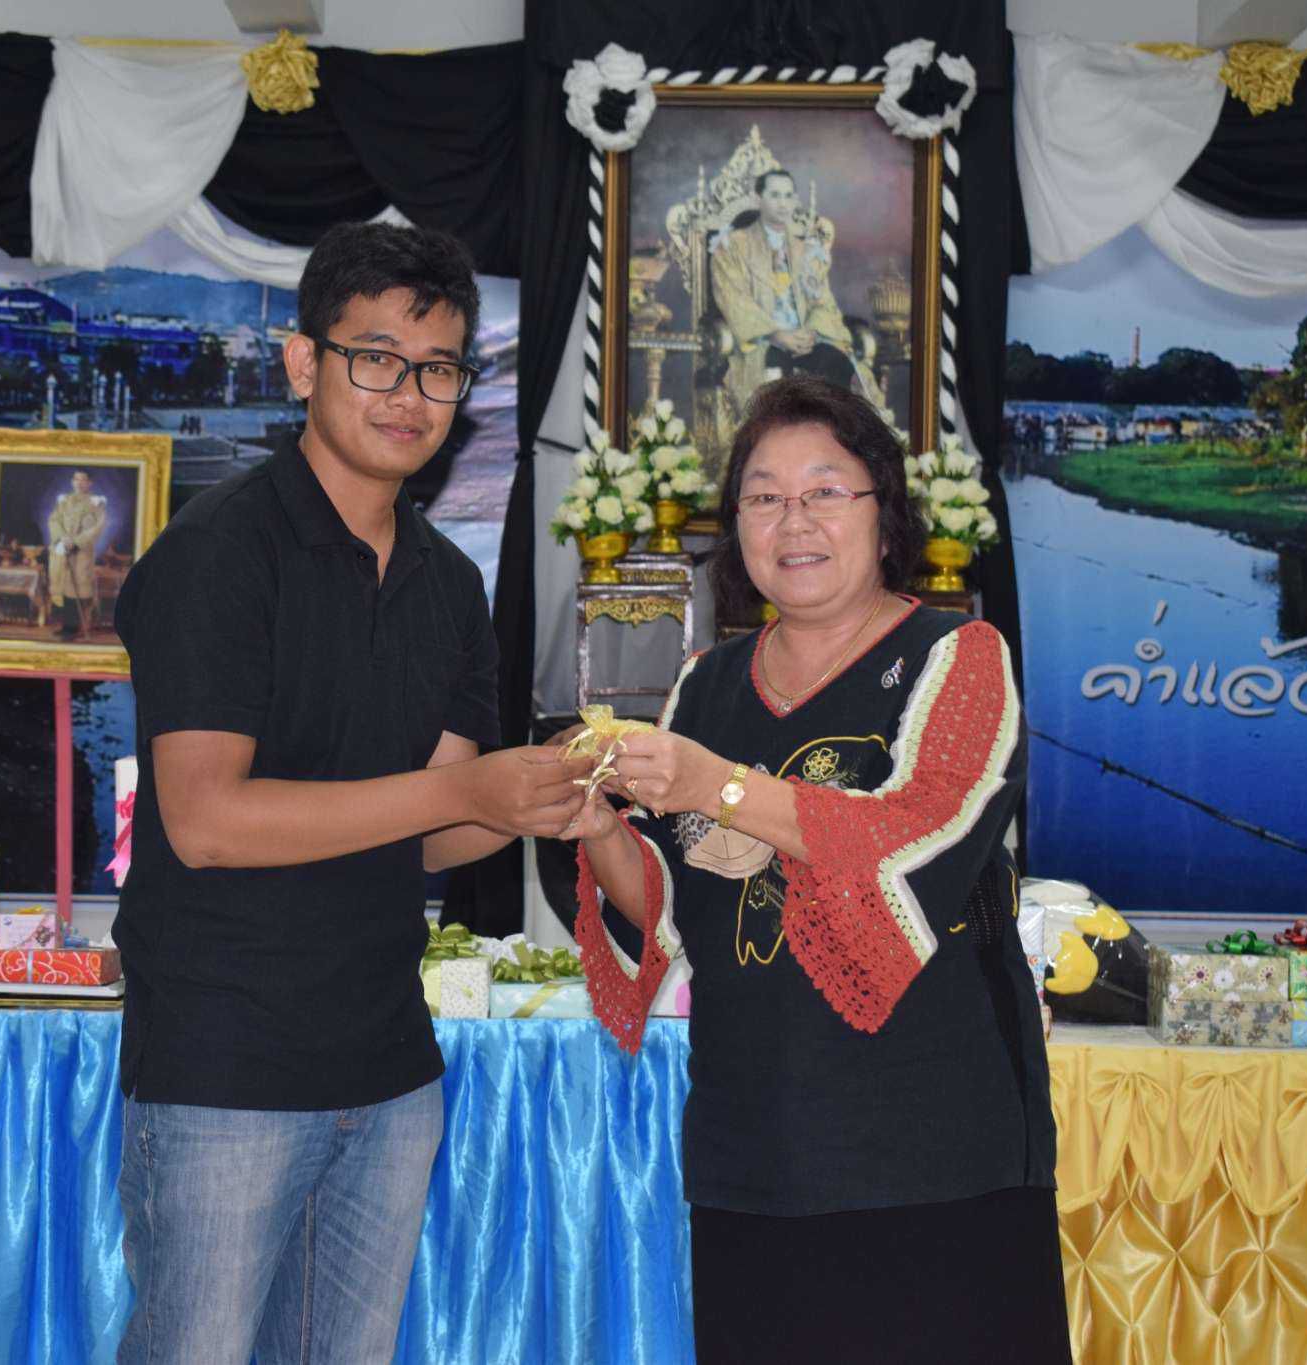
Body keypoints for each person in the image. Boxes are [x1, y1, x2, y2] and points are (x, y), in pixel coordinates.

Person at [112, 221, 596, 1365]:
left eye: (437, 369)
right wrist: (465, 789)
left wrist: (545, 797)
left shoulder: (447, 582)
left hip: (387, 1068)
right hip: (224, 1067)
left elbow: (434, 833)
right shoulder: (219, 554)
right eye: (375, 358)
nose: (407, 396)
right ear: (302, 364)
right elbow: (207, 822)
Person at [565, 376, 1068, 1364]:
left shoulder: (957, 656)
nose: (792, 521)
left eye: (825, 491)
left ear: (885, 514)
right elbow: (668, 904)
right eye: (763, 496)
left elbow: (917, 841)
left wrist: (718, 786)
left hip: (934, 1154)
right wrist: (593, 826)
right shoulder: (705, 685)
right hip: (753, 1148)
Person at [710, 169, 884, 416]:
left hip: (805, 340)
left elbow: (823, 301)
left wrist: (810, 332)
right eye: (775, 195)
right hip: (761, 342)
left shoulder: (806, 250)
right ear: (758, 199)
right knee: (775, 374)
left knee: (836, 362)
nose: (783, 203)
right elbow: (733, 299)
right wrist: (776, 334)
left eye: (788, 195)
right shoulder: (732, 245)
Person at [48, 469, 105, 638]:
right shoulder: (64, 501)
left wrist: (76, 542)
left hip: (81, 552)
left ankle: (75, 628)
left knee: (77, 588)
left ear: (89, 483)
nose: (79, 483)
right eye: (76, 479)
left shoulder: (96, 503)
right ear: (72, 482)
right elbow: (54, 520)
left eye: (83, 480)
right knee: (63, 587)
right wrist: (62, 537)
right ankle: (66, 626)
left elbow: (97, 527)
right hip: (63, 549)